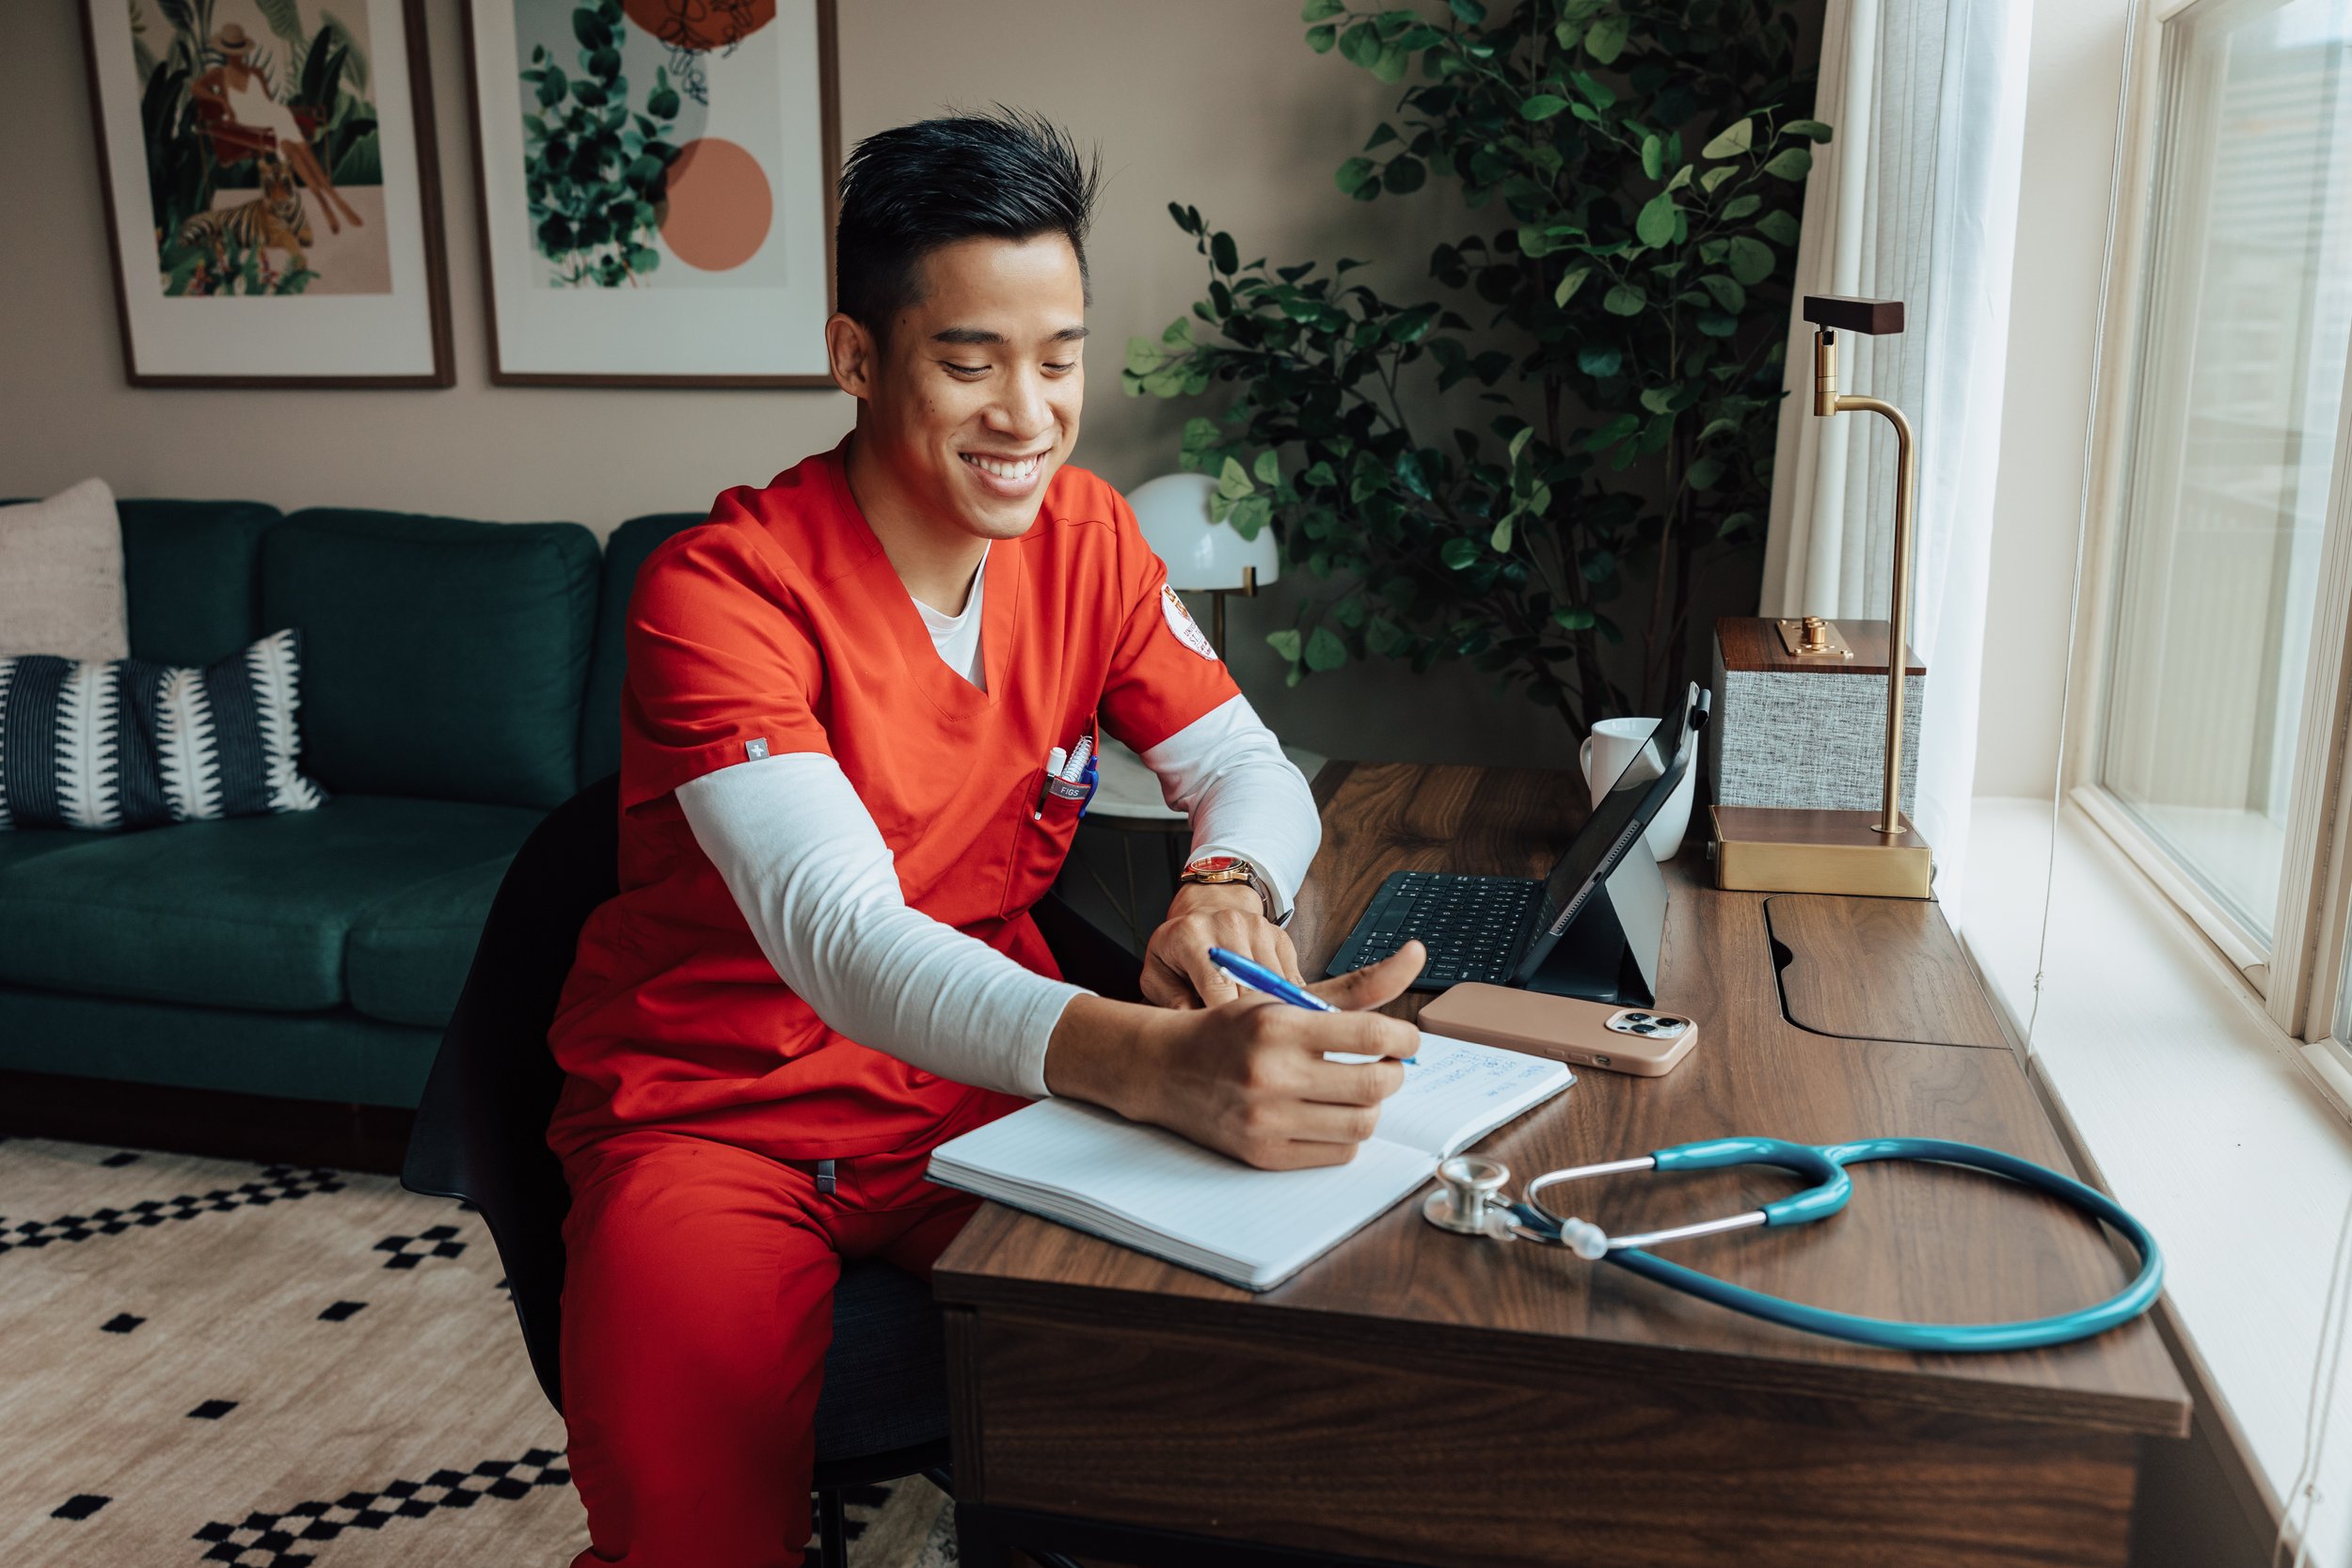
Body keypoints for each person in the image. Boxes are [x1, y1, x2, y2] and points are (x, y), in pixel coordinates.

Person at [544, 110, 1428, 1568]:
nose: (1027, 412)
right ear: (854, 357)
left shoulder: (1087, 539)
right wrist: (1150, 1063)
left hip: (971, 1087)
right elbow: (844, 940)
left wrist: (1224, 887)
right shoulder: (717, 593)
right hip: (719, 1110)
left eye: (1060, 355)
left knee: (1202, 1403)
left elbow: (1251, 767)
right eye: (971, 361)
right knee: (690, 1538)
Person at [188, 24, 363, 235]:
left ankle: (329, 202)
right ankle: (331, 200)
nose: (235, 57)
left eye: (238, 52)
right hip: (247, 119)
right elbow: (195, 87)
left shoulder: (256, 72)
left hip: (270, 115)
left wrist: (270, 115)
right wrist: (222, 102)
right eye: (231, 53)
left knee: (292, 144)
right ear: (226, 52)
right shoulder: (219, 74)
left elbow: (267, 102)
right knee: (289, 136)